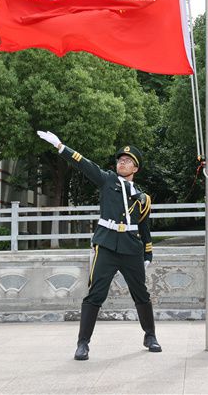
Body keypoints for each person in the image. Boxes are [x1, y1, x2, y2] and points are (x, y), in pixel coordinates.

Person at [37, 130, 161, 360]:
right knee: (95, 294)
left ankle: (150, 335)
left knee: (141, 294)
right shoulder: (107, 180)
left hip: (131, 248)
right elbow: (85, 164)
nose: (122, 163)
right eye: (120, 160)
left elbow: (144, 227)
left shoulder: (143, 198)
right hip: (106, 246)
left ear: (135, 168)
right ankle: (83, 343)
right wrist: (61, 147)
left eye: (128, 161)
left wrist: (148, 251)